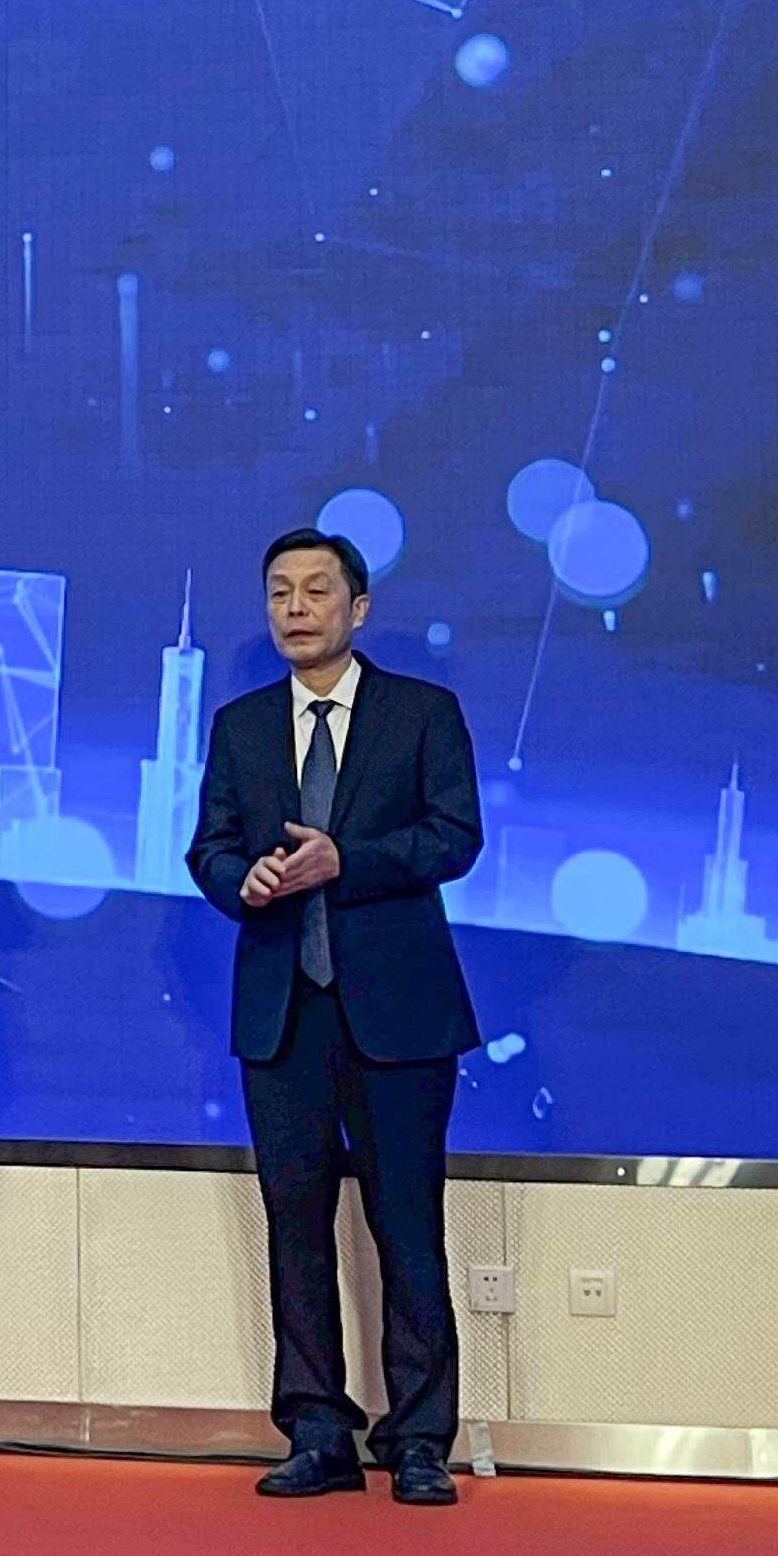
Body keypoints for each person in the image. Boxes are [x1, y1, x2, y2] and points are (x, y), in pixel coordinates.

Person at [190, 526, 486, 1506]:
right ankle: (315, 1426)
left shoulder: (422, 714)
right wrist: (250, 879)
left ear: (358, 609)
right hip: (282, 1013)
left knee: (407, 1224)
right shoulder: (238, 726)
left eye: (316, 591)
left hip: (399, 1013)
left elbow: (453, 838)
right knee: (295, 1226)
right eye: (278, 592)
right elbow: (208, 849)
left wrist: (343, 862)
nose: (295, 608)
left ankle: (419, 1437)